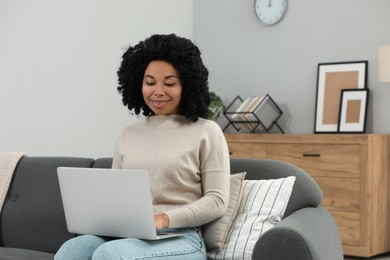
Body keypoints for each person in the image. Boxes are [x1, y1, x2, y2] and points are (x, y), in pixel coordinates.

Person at [54, 34, 230, 260]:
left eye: (169, 83)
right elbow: (115, 196)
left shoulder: (207, 131)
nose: (158, 91)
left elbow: (217, 200)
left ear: (187, 84)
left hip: (181, 237)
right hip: (129, 235)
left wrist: (164, 218)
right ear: (138, 84)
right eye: (150, 82)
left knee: (110, 254)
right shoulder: (128, 135)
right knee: (72, 250)